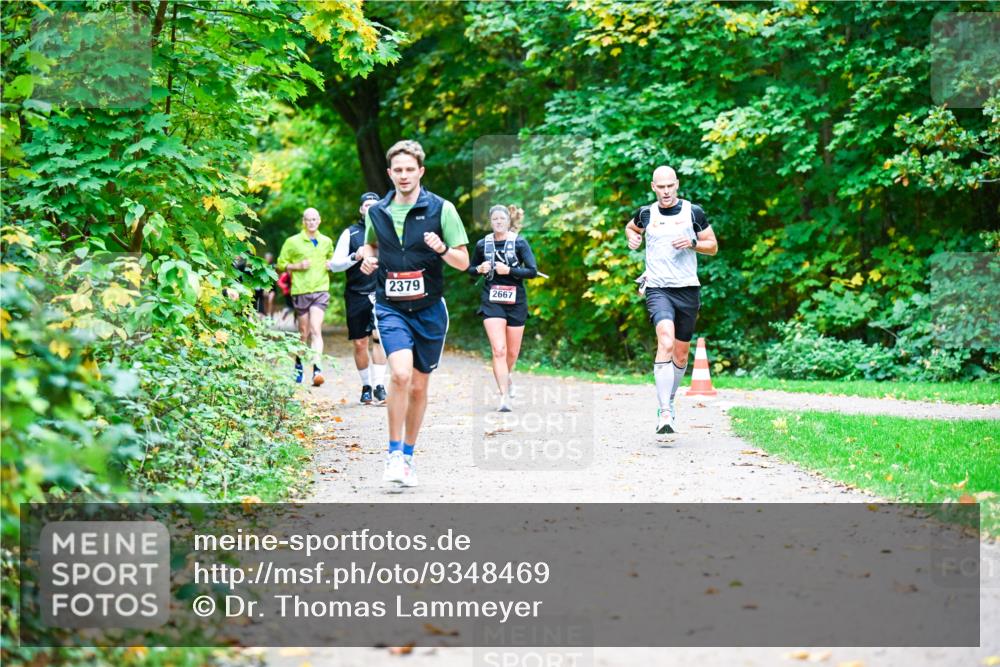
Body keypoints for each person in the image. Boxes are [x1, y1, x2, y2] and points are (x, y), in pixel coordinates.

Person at [358, 140, 470, 487]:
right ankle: (392, 455)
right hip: (391, 306)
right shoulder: (378, 211)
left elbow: (463, 261)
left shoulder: (442, 209)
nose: (404, 176)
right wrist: (366, 257)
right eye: (398, 170)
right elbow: (370, 243)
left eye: (410, 170)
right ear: (390, 173)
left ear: (420, 171)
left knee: (420, 387)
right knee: (401, 375)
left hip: (430, 309)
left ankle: (407, 456)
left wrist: (443, 248)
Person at [625, 166, 718, 434]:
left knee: (680, 353)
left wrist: (692, 242)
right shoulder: (646, 213)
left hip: (687, 288)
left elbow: (712, 245)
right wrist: (632, 237)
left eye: (670, 186)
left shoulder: (693, 212)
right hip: (657, 287)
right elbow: (631, 228)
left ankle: (670, 399)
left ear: (677, 185)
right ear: (653, 187)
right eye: (660, 187)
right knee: (665, 340)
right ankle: (664, 410)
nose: (666, 191)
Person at [468, 205, 537, 412]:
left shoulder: (519, 242)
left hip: (516, 301)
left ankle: (507, 377)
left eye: (502, 219)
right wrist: (479, 269)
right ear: (491, 222)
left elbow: (532, 271)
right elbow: (470, 269)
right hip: (492, 300)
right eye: (495, 219)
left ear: (508, 221)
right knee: (499, 350)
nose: (498, 222)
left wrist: (510, 270)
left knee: (512, 352)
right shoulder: (482, 244)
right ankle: (504, 397)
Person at [328, 192, 388, 405]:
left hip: (381, 293)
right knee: (360, 343)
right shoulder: (350, 233)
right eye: (366, 206)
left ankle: (380, 386)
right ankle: (366, 386)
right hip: (356, 294)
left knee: (379, 337)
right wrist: (355, 256)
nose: (370, 209)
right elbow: (334, 265)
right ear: (361, 210)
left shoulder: (386, 230)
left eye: (374, 205)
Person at [276, 207, 335, 386]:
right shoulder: (293, 242)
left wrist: (331, 264)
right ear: (303, 221)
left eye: (314, 219)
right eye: (308, 219)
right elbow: (280, 264)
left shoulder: (326, 241)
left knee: (316, 329)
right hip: (301, 291)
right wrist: (297, 266)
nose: (311, 222)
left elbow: (332, 260)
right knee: (304, 333)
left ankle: (317, 368)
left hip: (320, 290)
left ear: (319, 221)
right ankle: (299, 364)